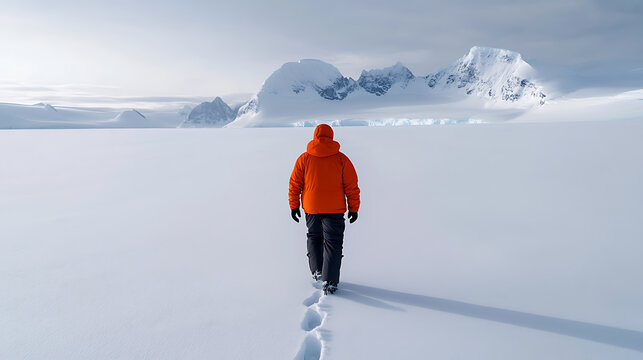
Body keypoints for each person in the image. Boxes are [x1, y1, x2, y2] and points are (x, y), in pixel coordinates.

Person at [288, 124, 360, 295]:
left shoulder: (304, 159)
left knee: (314, 237)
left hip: (312, 207)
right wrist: (353, 208)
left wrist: (294, 206)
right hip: (335, 209)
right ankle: (330, 281)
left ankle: (317, 270)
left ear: (315, 136)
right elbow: (352, 186)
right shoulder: (342, 159)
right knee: (333, 244)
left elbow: (295, 184)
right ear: (331, 136)